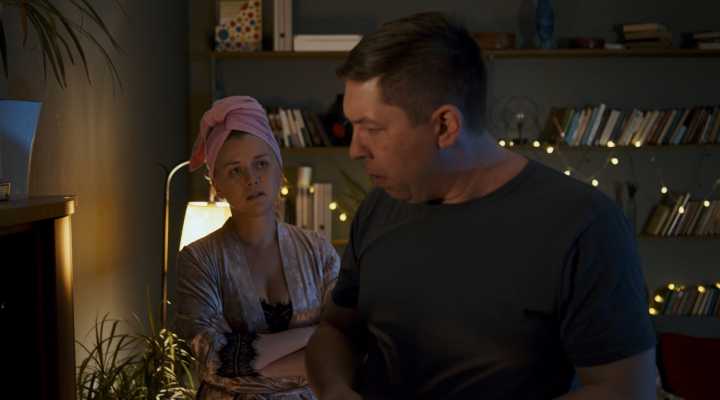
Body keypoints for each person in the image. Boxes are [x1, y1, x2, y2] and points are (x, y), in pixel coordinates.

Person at [305, 12, 657, 400]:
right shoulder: (378, 207)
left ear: (445, 126)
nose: (355, 149)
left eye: (372, 129)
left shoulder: (585, 225)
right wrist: (333, 388)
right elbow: (337, 330)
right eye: (352, 126)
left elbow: (626, 389)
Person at [176, 96, 339, 400]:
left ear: (279, 169)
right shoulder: (198, 259)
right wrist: (316, 334)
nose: (251, 179)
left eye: (261, 164)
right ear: (217, 185)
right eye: (234, 170)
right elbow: (212, 358)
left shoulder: (319, 251)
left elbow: (345, 347)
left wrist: (246, 362)